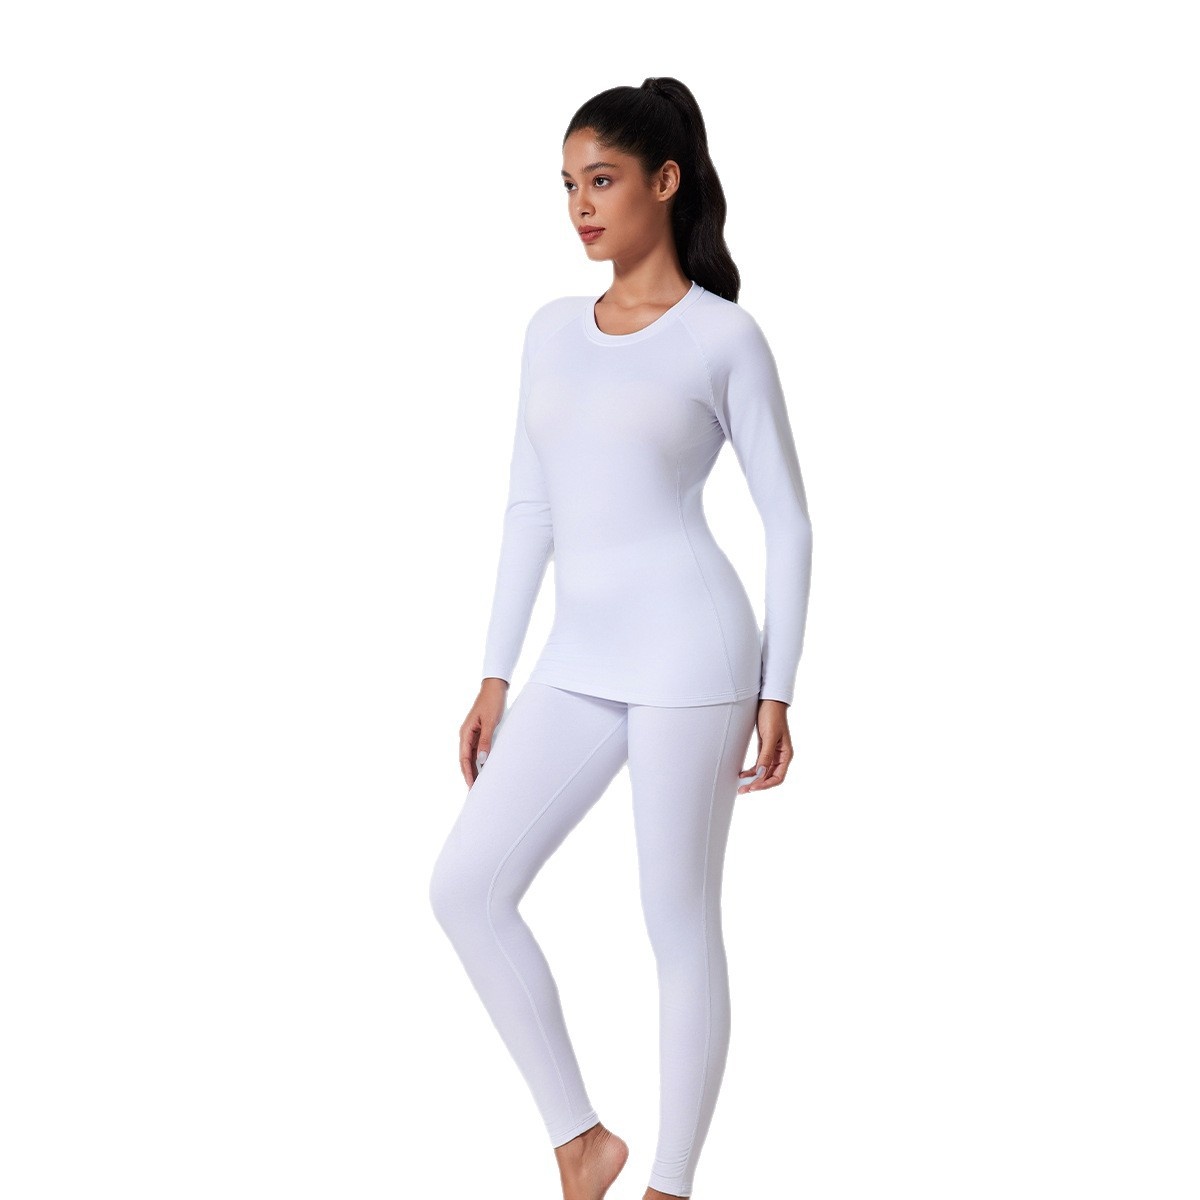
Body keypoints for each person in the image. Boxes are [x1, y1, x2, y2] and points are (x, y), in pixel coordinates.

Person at [429, 75, 813, 1200]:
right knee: (465, 887)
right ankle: (581, 1143)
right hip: (578, 659)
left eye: (601, 180)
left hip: (695, 657)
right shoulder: (550, 331)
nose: (581, 206)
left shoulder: (723, 338)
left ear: (665, 180)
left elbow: (788, 520)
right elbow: (529, 507)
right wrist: (495, 672)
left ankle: (671, 1184)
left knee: (676, 922)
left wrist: (779, 686)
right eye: (567, 185)